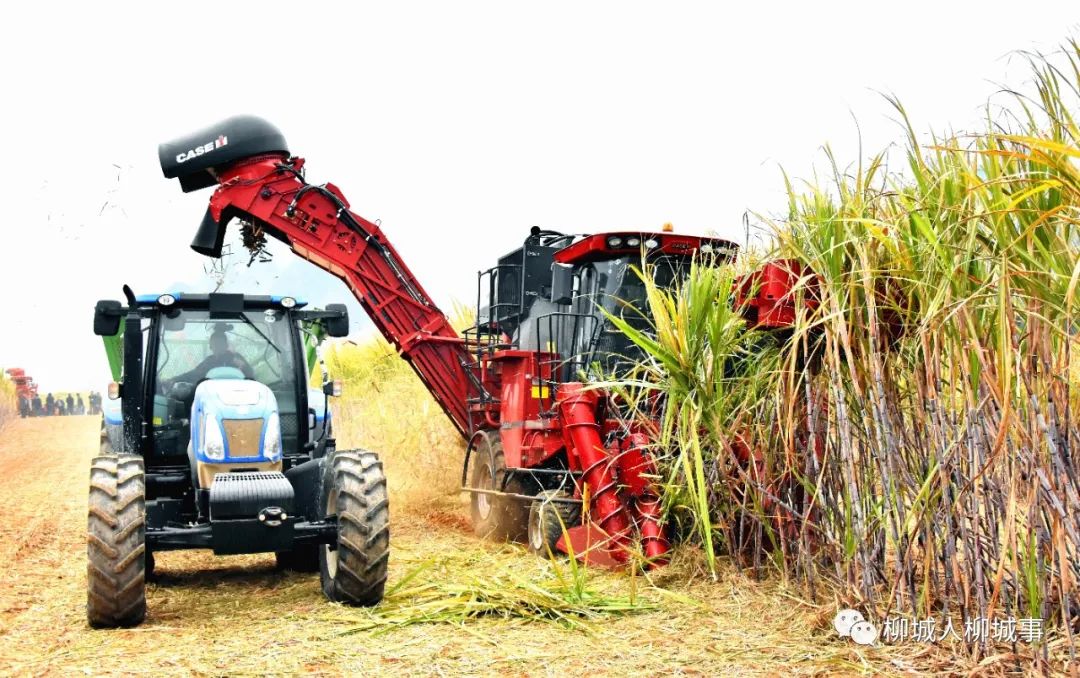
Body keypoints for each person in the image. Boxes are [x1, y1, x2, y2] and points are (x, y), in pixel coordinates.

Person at [167, 329, 255, 386]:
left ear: (226, 345)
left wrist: (244, 367)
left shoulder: (236, 358)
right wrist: (174, 379)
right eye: (215, 344)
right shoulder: (209, 362)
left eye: (220, 344)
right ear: (211, 347)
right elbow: (193, 374)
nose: (217, 347)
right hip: (212, 395)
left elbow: (251, 376)